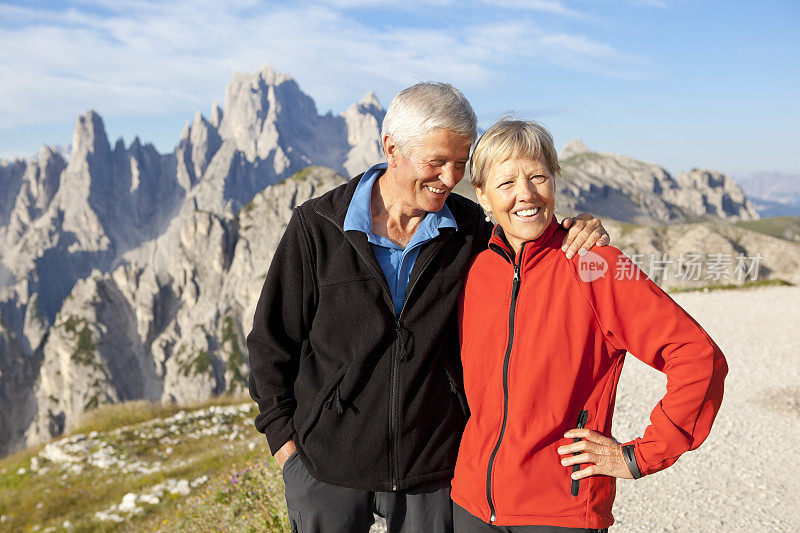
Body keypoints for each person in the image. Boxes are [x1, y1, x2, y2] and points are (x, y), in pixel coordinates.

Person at [247, 83, 610, 533]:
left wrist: (580, 228)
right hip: (326, 467)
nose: (449, 177)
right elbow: (270, 343)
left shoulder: (471, 227)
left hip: (434, 468)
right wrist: (285, 447)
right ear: (391, 149)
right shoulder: (317, 226)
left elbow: (529, 244)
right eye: (436, 161)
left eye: (460, 163)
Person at [451, 119, 728, 532]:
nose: (525, 194)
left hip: (559, 513)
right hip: (470, 505)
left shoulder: (597, 266)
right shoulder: (471, 266)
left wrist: (640, 455)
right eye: (506, 182)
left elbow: (698, 356)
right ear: (482, 195)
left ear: (555, 182)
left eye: (538, 177)